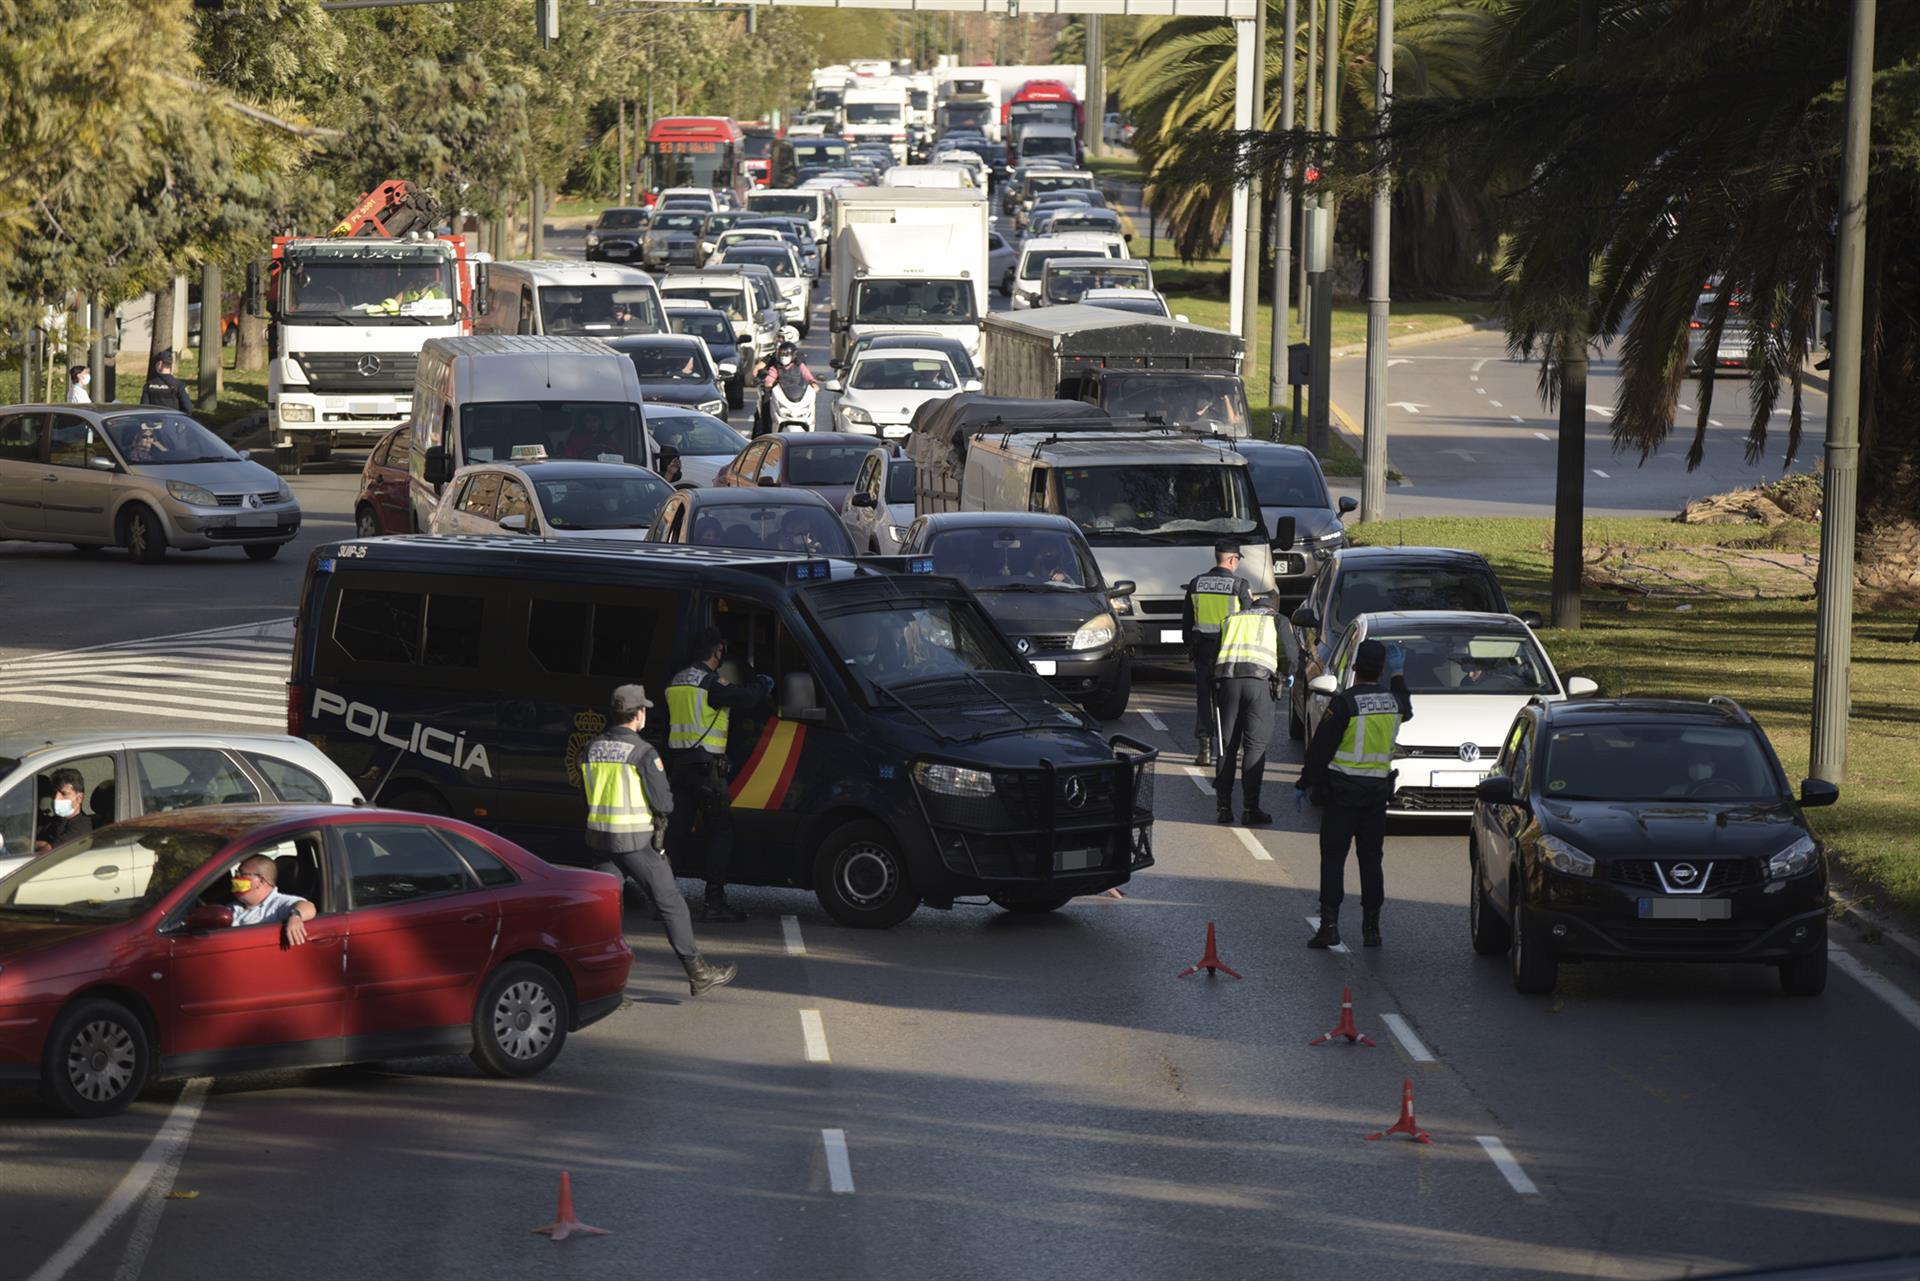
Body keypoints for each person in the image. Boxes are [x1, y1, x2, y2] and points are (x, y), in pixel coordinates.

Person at [582, 684, 736, 995]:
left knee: (604, 913)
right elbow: (664, 803)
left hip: (600, 841)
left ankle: (602, 988)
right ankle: (698, 972)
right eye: (644, 711)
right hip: (636, 841)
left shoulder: (590, 748)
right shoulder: (643, 753)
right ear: (638, 715)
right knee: (672, 905)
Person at [1297, 638, 1414, 949]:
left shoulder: (1345, 703)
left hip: (1343, 794)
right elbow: (1408, 705)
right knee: (1371, 860)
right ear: (1381, 670)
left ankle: (1330, 927)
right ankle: (1371, 929)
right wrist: (1399, 674)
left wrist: (1304, 783)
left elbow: (1321, 748)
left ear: (1355, 667)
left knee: (1334, 859)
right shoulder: (1394, 702)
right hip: (1377, 794)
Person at [665, 628, 773, 923]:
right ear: (717, 652)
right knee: (721, 832)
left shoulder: (676, 681)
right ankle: (714, 902)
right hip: (707, 772)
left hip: (680, 768)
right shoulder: (711, 685)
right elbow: (748, 698)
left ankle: (664, 902)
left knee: (675, 834)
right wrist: (764, 683)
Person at [1212, 591, 1284, 826]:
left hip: (1228, 685)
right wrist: (1284, 675)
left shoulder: (1231, 619)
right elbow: (1291, 657)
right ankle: (1250, 809)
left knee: (1227, 747)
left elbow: (1216, 654)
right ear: (1273, 605)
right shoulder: (1276, 619)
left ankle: (1223, 808)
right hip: (1259, 686)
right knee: (1254, 747)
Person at [1180, 538, 1253, 767]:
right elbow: (1248, 622)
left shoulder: (1196, 583)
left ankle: (1205, 751)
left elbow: (1186, 623)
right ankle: (1235, 749)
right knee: (1231, 700)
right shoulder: (1240, 586)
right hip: (1230, 653)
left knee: (1204, 699)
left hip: (1203, 651)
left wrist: (1189, 645)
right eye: (1238, 560)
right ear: (1232, 559)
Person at [227, 854, 317, 947]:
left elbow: (308, 906)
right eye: (236, 873)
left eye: (241, 874)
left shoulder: (277, 903)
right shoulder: (234, 905)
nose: (235, 878)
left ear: (261, 881)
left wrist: (295, 916)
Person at [34, 769, 93, 852]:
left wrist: (30, 844)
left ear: (79, 798)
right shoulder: (55, 821)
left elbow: (48, 851)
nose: (56, 798)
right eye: (54, 793)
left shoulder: (81, 827)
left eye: (64, 794)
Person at [141, 350, 194, 414]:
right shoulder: (179, 386)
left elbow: (144, 409)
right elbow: (188, 409)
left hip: (154, 422)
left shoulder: (149, 385)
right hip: (172, 422)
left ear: (160, 363)